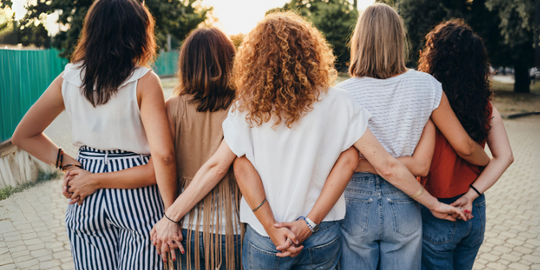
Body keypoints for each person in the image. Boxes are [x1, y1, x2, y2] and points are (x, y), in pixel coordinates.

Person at [152, 12, 465, 270]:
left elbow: (219, 168)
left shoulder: (246, 107)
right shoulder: (338, 102)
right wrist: (433, 203)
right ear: (311, 51)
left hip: (264, 236)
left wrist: (171, 216)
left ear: (255, 58)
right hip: (319, 234)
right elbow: (386, 166)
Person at [11, 0, 177, 269]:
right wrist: (171, 215)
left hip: (85, 194)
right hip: (136, 194)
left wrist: (73, 168)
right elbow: (164, 158)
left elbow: (23, 135)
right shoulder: (144, 81)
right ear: (137, 33)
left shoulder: (69, 78)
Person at [335, 4, 490, 270]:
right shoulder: (426, 86)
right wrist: (487, 162)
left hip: (355, 202)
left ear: (358, 40)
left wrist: (361, 163)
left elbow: (335, 161)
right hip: (406, 199)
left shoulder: (341, 94)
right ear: (399, 39)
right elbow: (432, 160)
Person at [416, 19, 514, 270]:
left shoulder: (427, 103)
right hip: (474, 210)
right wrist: (472, 194)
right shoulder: (486, 106)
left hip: (439, 210)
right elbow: (505, 157)